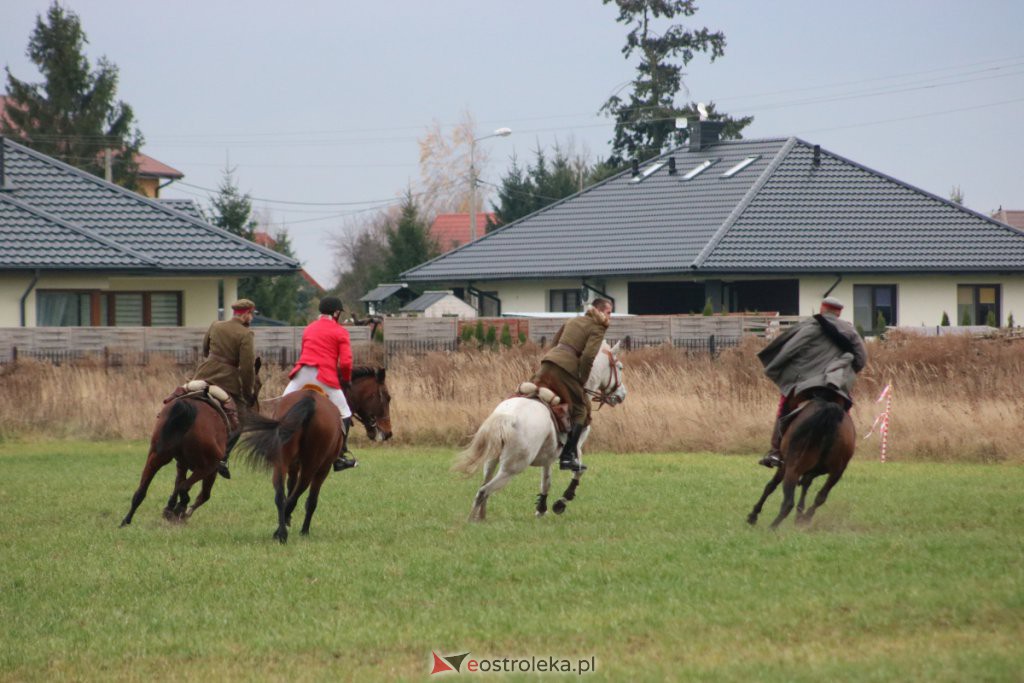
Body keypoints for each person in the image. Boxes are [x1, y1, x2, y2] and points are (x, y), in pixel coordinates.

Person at [756, 296, 868, 468]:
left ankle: (776, 451)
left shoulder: (811, 326)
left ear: (822, 309)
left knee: (784, 407)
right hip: (836, 384)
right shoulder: (850, 330)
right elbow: (861, 359)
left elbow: (789, 350)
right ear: (839, 313)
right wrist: (846, 375)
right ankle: (845, 448)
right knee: (844, 408)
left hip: (806, 383)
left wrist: (773, 368)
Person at [531, 297, 614, 472]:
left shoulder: (572, 320)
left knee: (533, 393)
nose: (610, 316)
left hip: (547, 363)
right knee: (582, 409)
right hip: (565, 370)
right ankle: (567, 456)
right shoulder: (598, 327)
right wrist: (581, 379)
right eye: (609, 312)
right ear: (599, 311)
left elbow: (554, 343)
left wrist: (551, 360)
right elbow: (588, 357)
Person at [284, 296, 358, 472]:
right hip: (323, 376)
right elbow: (346, 363)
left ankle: (275, 445)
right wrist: (346, 380)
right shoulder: (340, 332)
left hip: (302, 373)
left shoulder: (309, 329)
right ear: (336, 312)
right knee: (345, 412)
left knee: (283, 403)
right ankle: (340, 456)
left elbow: (304, 352)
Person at [191, 298, 258, 479]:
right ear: (245, 314)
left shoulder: (215, 325)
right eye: (251, 314)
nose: (251, 318)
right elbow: (246, 368)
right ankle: (222, 458)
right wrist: (247, 393)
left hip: (203, 375)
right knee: (242, 419)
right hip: (227, 382)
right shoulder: (246, 334)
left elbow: (205, 351)